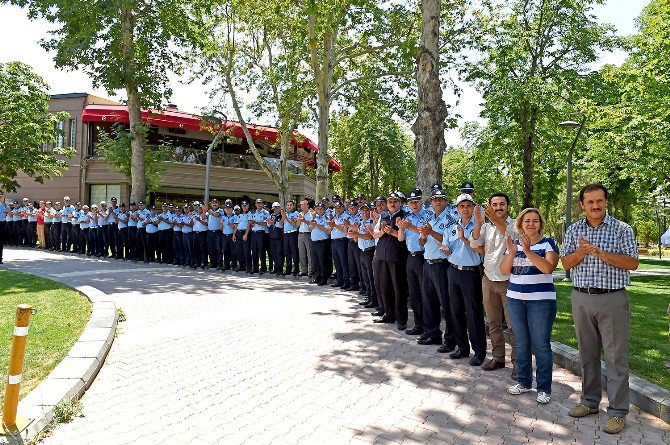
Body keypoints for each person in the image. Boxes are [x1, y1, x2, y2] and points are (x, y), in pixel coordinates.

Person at [560, 184, 638, 434]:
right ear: (582, 204)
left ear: (606, 202)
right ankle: (590, 402)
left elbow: (632, 262)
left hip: (612, 299)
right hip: (581, 297)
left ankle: (617, 412)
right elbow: (565, 263)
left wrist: (601, 254)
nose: (595, 206)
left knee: (615, 358)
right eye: (590, 202)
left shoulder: (622, 229)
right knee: (587, 354)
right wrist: (582, 252)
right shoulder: (573, 230)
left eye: (599, 201)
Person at [500, 207, 559, 405]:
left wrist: (526, 251)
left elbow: (547, 267)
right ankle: (524, 382)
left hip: (541, 301)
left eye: (535, 221)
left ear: (540, 224)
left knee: (541, 344)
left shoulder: (548, 243)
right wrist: (513, 252)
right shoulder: (514, 244)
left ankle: (544, 388)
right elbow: (504, 270)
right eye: (527, 221)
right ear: (520, 224)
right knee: (521, 342)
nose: (531, 224)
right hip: (515, 300)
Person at [469, 193, 518, 378]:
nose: (498, 208)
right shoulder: (486, 227)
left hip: (509, 282)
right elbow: (475, 243)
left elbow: (512, 238)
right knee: (493, 324)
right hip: (488, 280)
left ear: (508, 206)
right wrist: (479, 222)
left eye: (502, 204)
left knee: (514, 326)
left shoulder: (515, 224)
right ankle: (498, 358)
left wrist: (495, 221)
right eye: (495, 205)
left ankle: (518, 363)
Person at [418, 187, 456, 353]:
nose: (438, 202)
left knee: (446, 304)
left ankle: (451, 339)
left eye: (441, 199)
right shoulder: (429, 217)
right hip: (427, 262)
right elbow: (421, 242)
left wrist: (430, 232)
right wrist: (424, 235)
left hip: (442, 264)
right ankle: (432, 333)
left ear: (446, 201)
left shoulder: (450, 218)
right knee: (429, 301)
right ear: (431, 202)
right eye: (435, 199)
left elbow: (446, 240)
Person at [373, 192, 409, 330]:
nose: (392, 204)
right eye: (390, 202)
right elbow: (375, 234)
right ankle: (389, 314)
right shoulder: (383, 215)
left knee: (399, 288)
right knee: (385, 287)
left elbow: (406, 237)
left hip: (397, 256)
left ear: (400, 202)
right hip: (382, 255)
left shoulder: (406, 215)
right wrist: (383, 231)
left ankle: (401, 319)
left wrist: (392, 232)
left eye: (395, 201)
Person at [397, 188, 430, 336]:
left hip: (423, 256)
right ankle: (418, 325)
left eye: (416, 201)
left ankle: (428, 327)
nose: (414, 204)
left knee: (425, 293)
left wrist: (410, 227)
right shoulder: (407, 217)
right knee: (414, 293)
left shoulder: (428, 215)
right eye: (411, 202)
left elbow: (427, 234)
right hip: (410, 256)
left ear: (421, 200)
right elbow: (401, 238)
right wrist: (401, 227)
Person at [354, 202, 377, 307]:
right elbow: (356, 238)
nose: (364, 212)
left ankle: (374, 299)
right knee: (365, 277)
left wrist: (356, 234)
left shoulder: (372, 222)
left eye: (366, 210)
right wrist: (354, 233)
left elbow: (369, 237)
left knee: (371, 277)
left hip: (370, 251)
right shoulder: (360, 222)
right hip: (362, 251)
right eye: (362, 210)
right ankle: (368, 297)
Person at [328, 202, 350, 288]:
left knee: (343, 262)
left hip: (342, 241)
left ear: (343, 208)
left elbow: (345, 230)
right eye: (336, 208)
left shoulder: (346, 216)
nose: (337, 210)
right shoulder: (334, 217)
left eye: (339, 208)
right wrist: (331, 225)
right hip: (334, 241)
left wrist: (335, 225)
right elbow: (330, 230)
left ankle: (346, 282)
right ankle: (339, 280)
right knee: (337, 262)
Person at [308, 203, 331, 285]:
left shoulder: (326, 218)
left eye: (321, 209)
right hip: (313, 241)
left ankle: (323, 279)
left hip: (322, 242)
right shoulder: (314, 217)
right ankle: (317, 277)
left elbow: (327, 230)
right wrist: (312, 225)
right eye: (318, 209)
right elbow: (310, 229)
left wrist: (317, 225)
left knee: (323, 261)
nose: (320, 210)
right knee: (315, 261)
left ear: (324, 209)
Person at [249, 198, 269, 274]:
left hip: (261, 233)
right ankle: (255, 268)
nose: (259, 204)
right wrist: (252, 224)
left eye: (260, 203)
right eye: (257, 203)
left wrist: (256, 222)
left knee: (261, 251)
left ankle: (263, 268)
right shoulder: (253, 213)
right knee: (254, 251)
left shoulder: (266, 213)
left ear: (262, 204)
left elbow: (266, 223)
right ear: (256, 204)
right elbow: (251, 223)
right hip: (254, 233)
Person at [281, 200, 300, 276]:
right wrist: (283, 217)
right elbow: (280, 224)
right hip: (286, 234)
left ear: (293, 206)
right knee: (287, 252)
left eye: (290, 205)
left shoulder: (295, 213)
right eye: (288, 205)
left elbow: (294, 223)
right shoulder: (284, 214)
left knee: (294, 252)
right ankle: (288, 269)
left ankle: (296, 269)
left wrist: (286, 218)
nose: (289, 206)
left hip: (293, 233)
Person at [297, 200, 314, 277]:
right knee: (301, 253)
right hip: (300, 234)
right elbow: (297, 225)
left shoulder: (311, 214)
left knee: (309, 253)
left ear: (307, 205)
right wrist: (299, 221)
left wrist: (304, 220)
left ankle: (311, 270)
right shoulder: (299, 214)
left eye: (304, 204)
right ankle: (303, 270)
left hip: (308, 234)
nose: (303, 206)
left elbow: (312, 224)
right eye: (301, 205)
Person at [267, 202, 284, 275]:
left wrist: (273, 223)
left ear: (279, 208)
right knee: (273, 254)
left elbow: (280, 225)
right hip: (272, 237)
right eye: (274, 208)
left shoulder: (281, 216)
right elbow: (268, 225)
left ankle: (279, 269)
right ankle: (275, 268)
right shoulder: (271, 215)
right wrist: (269, 222)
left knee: (279, 254)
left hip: (279, 238)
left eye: (276, 208)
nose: (275, 209)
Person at [221, 204, 236, 270]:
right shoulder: (223, 217)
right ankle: (226, 265)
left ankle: (233, 265)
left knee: (233, 251)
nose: (228, 210)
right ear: (225, 210)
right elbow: (220, 228)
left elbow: (236, 226)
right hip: (224, 235)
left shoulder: (235, 217)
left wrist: (232, 226)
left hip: (231, 235)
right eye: (226, 209)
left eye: (229, 208)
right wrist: (221, 224)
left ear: (232, 210)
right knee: (225, 250)